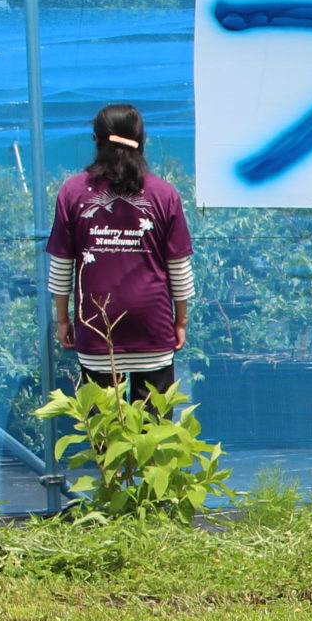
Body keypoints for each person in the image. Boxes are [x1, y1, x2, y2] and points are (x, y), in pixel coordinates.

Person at [47, 104, 192, 401]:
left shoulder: (73, 192)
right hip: (152, 325)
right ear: (142, 140)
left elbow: (61, 265)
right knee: (154, 424)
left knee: (101, 424)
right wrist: (180, 321)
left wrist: (62, 320)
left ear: (96, 139)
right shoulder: (163, 194)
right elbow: (178, 267)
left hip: (96, 326)